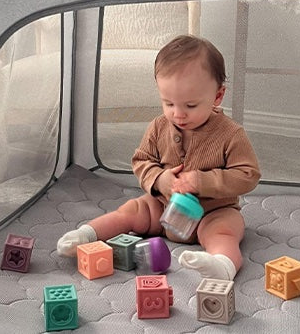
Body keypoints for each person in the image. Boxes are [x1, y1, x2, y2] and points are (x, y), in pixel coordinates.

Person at [57, 34, 260, 280]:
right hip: (163, 207)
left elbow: (247, 175)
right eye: (168, 103)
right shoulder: (158, 127)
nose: (178, 114)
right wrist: (160, 180)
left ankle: (222, 264)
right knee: (131, 210)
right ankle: (87, 234)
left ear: (217, 96)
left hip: (213, 212)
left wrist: (201, 181)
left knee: (225, 232)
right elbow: (141, 161)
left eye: (191, 105)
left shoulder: (231, 134)